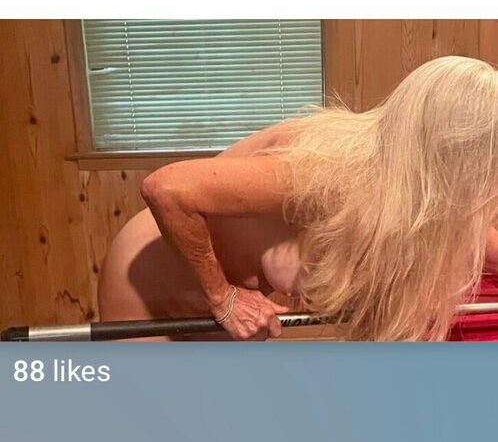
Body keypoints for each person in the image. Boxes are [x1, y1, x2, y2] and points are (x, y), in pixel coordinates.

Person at [98, 56, 498, 342]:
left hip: (215, 295)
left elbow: (469, 234)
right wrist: (222, 297)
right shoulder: (332, 171)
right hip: (151, 280)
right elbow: (168, 189)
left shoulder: (413, 188)